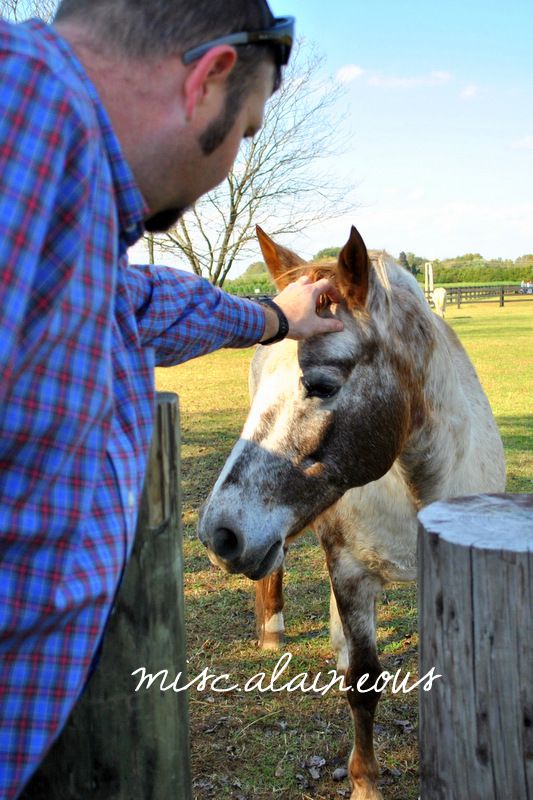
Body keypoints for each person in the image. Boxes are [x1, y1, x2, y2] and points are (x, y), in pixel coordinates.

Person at [0, 1, 344, 796]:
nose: (231, 162)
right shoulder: (24, 101)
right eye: (246, 133)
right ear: (209, 79)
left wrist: (272, 319)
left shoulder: (64, 182)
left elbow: (134, 303)